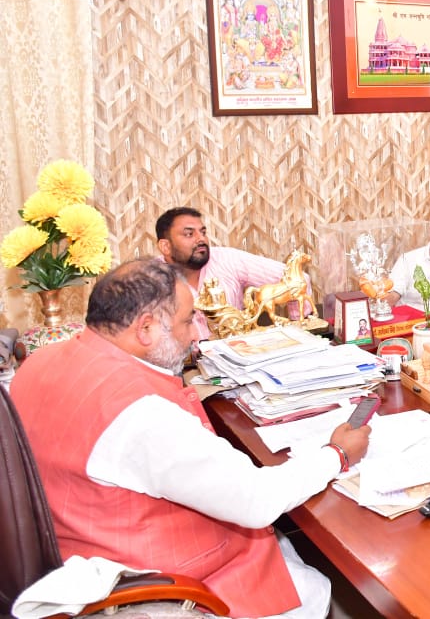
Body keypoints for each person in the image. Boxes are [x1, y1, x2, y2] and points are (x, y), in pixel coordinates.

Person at [11, 260, 371, 618]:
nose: (195, 335)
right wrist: (337, 453)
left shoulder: (41, 360)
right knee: (312, 586)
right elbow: (257, 499)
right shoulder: (139, 414)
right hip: (153, 575)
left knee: (285, 545)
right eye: (187, 322)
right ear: (146, 329)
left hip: (77, 538)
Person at [156, 206, 310, 340]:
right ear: (165, 246)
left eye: (203, 232)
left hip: (236, 357)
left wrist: (299, 327)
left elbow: (298, 279)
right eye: (189, 234)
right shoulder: (149, 279)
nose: (201, 239)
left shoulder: (227, 259)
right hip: (181, 363)